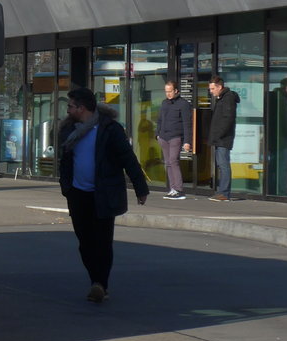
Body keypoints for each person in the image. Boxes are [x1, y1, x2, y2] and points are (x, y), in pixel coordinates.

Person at [57, 87, 149, 303]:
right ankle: (95, 280)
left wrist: (140, 188)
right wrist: (66, 187)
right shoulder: (68, 130)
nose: (67, 109)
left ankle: (100, 284)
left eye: (70, 105)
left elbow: (128, 158)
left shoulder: (109, 129)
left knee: (103, 242)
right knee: (85, 242)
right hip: (78, 194)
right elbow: (65, 162)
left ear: (82, 108)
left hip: (104, 193)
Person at [156, 81, 193, 199]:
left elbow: (188, 124)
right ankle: (173, 189)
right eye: (166, 91)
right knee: (168, 162)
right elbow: (160, 120)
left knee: (173, 161)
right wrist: (157, 134)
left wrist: (187, 141)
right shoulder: (164, 103)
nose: (168, 94)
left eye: (170, 91)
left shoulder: (183, 104)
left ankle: (179, 189)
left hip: (176, 136)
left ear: (176, 90)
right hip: (163, 137)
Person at [207, 75, 240, 201]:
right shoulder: (222, 98)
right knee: (221, 165)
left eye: (212, 89)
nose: (211, 91)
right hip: (220, 137)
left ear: (219, 87)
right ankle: (222, 191)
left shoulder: (228, 98)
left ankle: (224, 193)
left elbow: (228, 119)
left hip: (223, 138)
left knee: (223, 164)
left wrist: (219, 134)